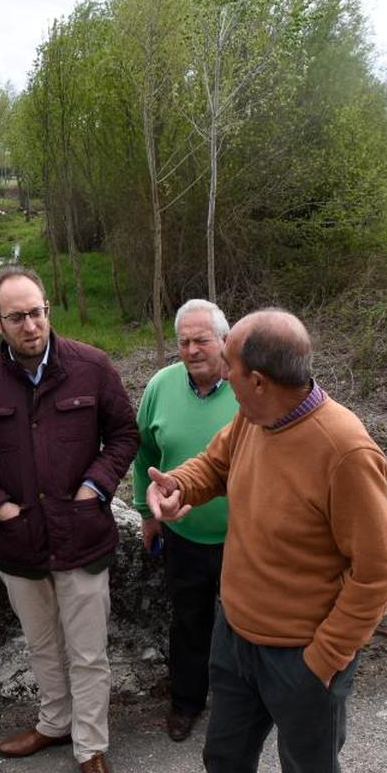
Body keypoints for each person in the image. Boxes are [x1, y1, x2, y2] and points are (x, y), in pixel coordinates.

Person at [147, 309, 387, 773]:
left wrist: (323, 660)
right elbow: (214, 465)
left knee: (307, 767)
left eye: (230, 365)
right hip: (235, 636)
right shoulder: (253, 417)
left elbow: (378, 573)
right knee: (223, 759)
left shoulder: (346, 451)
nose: (222, 372)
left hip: (300, 656)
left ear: (259, 380)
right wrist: (177, 485)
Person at [0, 265, 139, 773]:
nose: (31, 325)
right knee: (43, 646)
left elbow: (124, 435)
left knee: (89, 653)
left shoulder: (92, 367)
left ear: (48, 309)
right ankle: (54, 724)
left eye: (37, 313)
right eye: (17, 317)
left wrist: (93, 488)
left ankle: (90, 745)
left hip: (83, 535)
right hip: (20, 541)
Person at [132, 298, 238, 742]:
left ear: (225, 341)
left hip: (245, 537)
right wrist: (146, 513)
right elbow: (145, 455)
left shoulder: (250, 384)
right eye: (184, 342)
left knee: (244, 628)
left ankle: (241, 707)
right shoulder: (161, 385)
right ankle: (186, 703)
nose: (192, 350)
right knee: (188, 621)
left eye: (202, 340)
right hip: (184, 534)